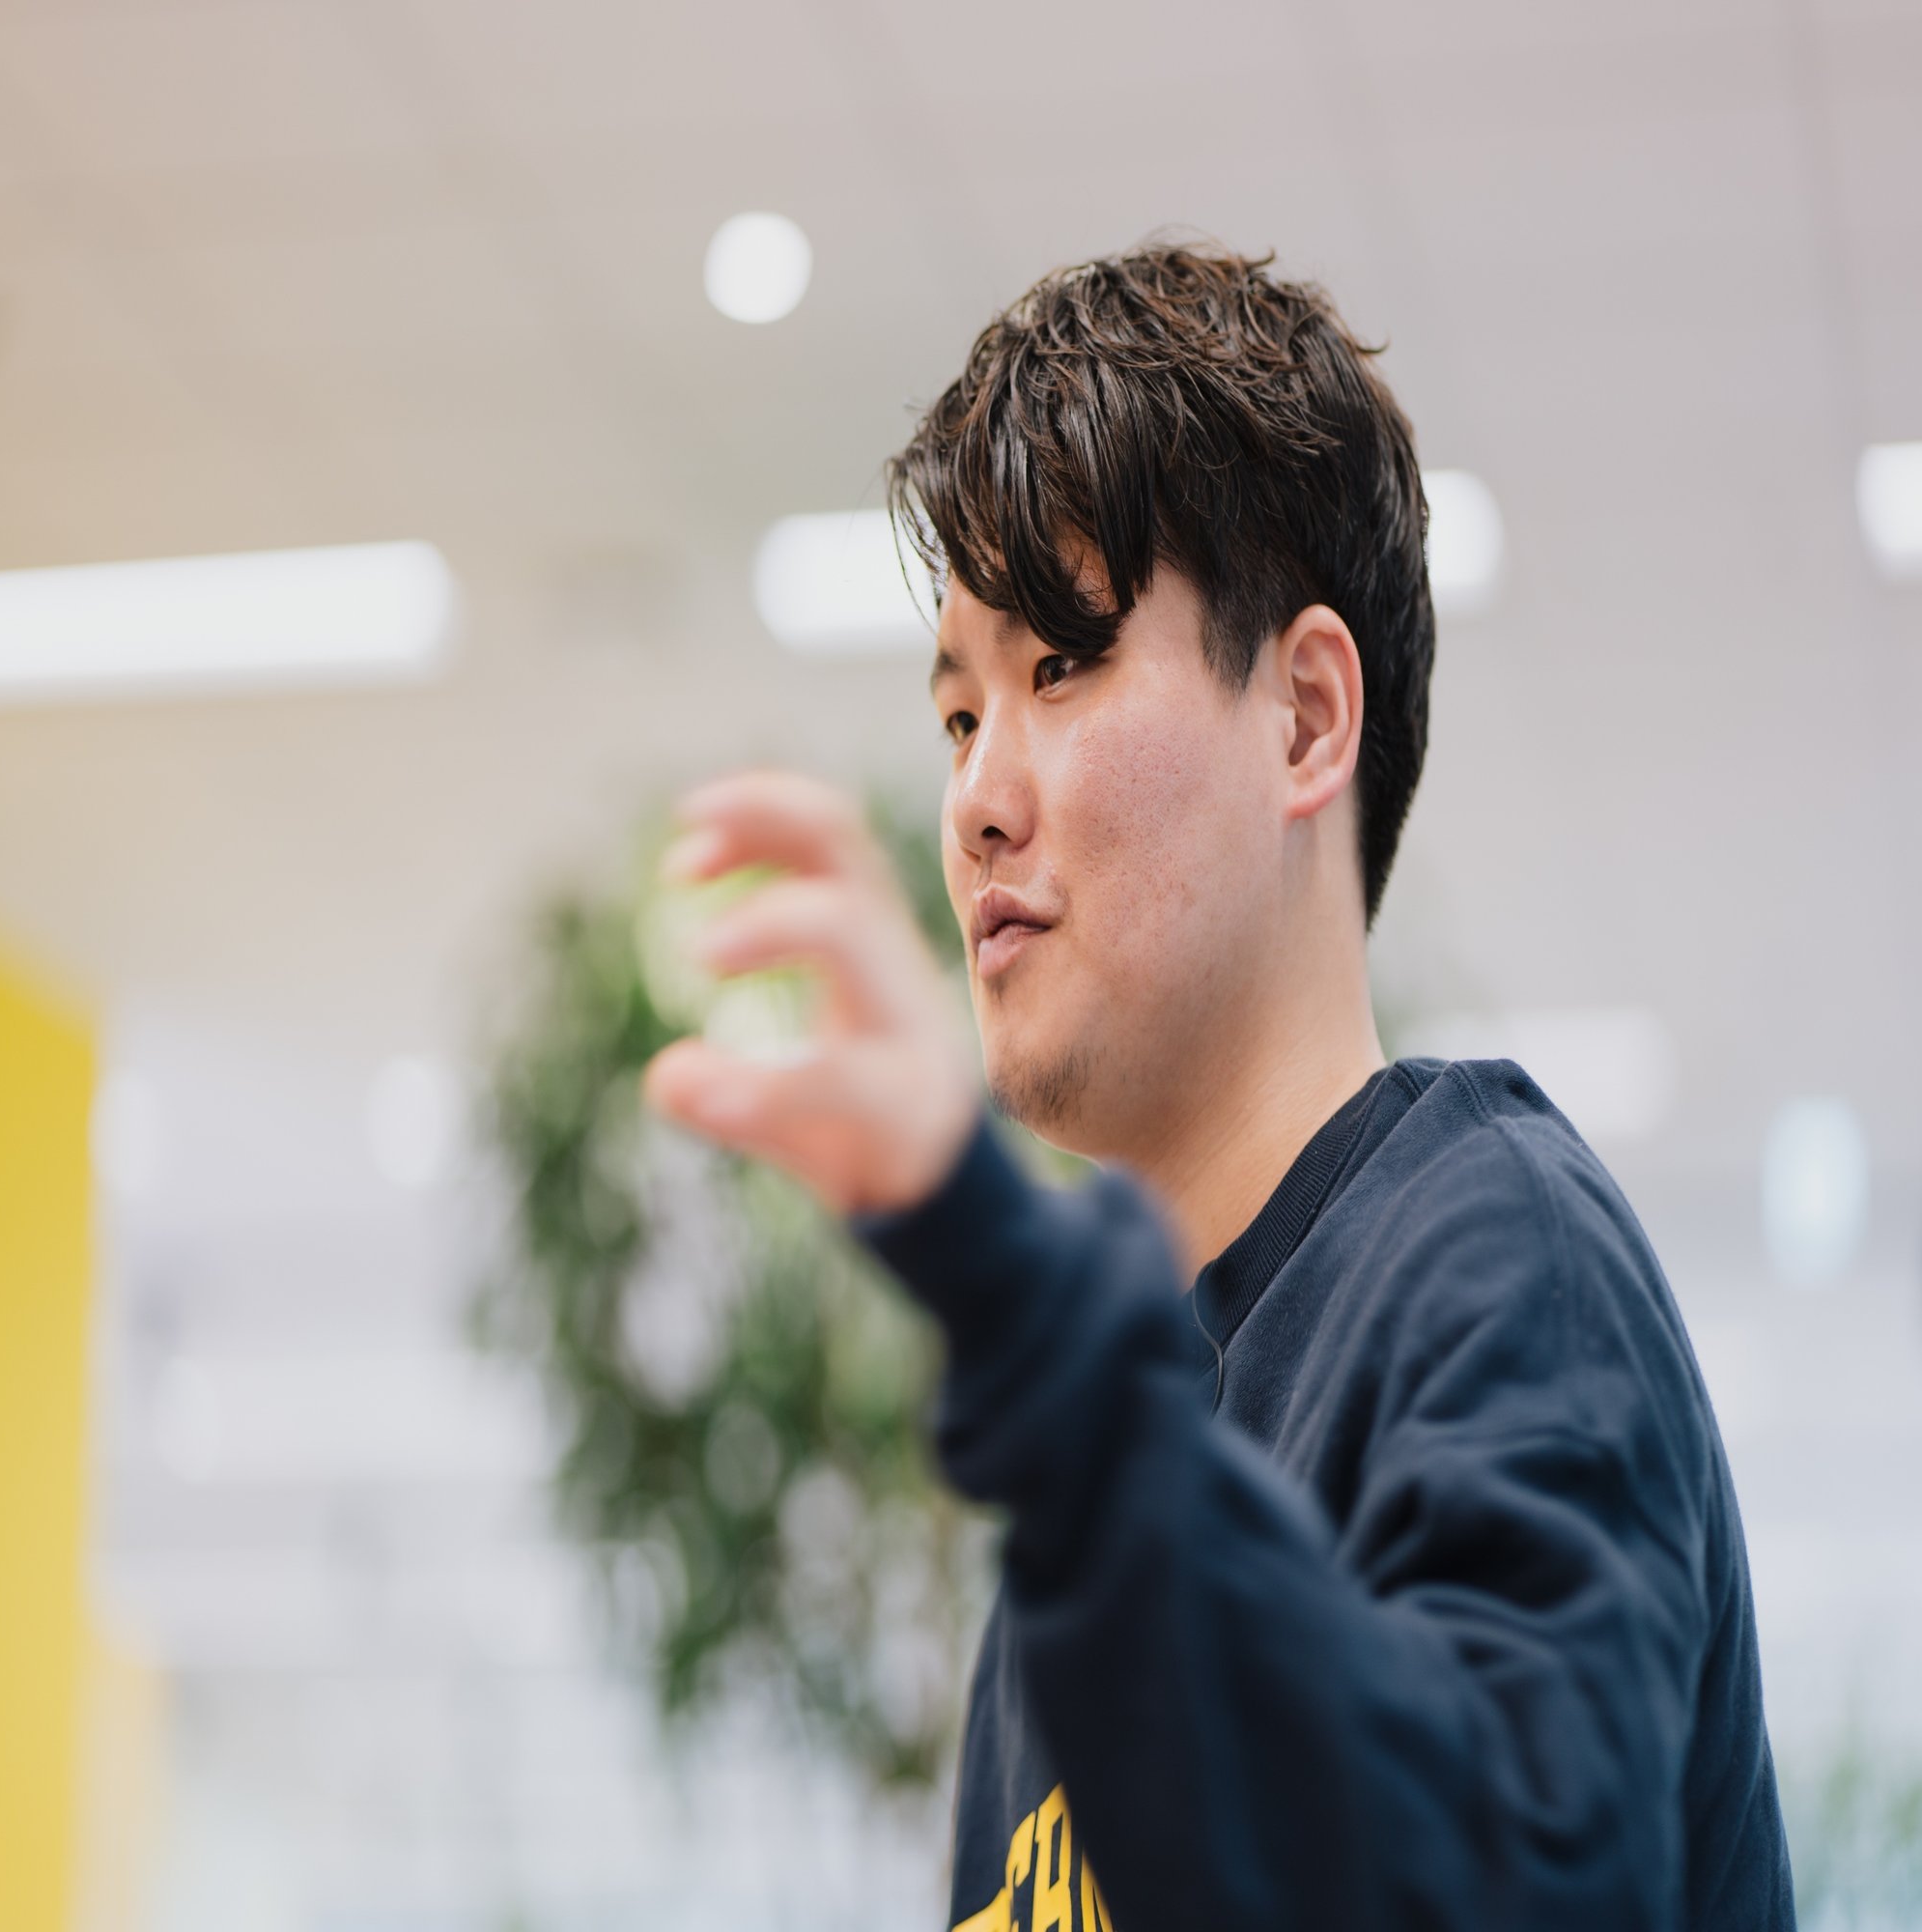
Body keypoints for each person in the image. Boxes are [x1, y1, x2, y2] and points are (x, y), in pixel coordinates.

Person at [643, 245, 1795, 1931]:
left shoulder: (1499, 1263)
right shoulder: (1098, 1506)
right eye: (958, 716)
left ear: (1307, 718)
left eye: (1060, 666)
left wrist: (999, 1279)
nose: (974, 801)